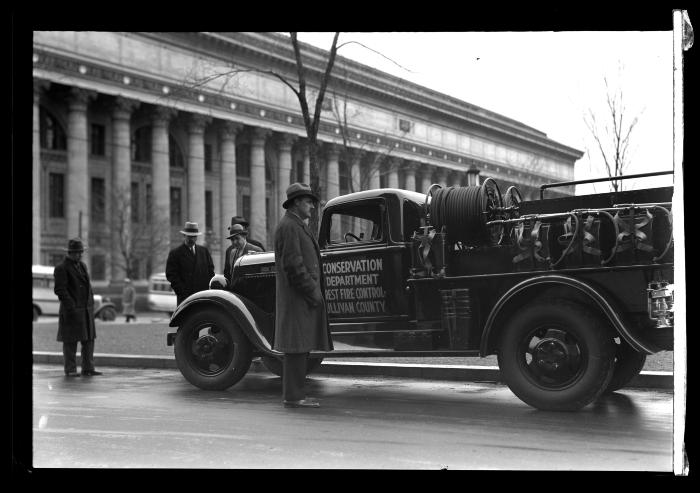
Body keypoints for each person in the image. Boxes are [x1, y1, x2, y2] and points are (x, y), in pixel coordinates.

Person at [273, 183, 333, 408]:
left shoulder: (295, 224)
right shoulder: (290, 226)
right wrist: (313, 293)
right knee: (296, 348)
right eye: (308, 202)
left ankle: (296, 395)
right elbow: (294, 265)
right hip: (298, 297)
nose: (312, 207)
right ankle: (294, 397)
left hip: (299, 298)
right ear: (296, 203)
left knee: (300, 347)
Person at [53, 238, 102, 377]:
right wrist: (71, 307)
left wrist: (90, 305)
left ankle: (88, 368)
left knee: (89, 340)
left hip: (86, 310)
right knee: (70, 342)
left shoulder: (83, 266)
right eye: (76, 252)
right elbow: (60, 290)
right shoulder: (61, 268)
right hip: (71, 311)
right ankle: (70, 369)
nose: (79, 255)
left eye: (81, 252)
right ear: (69, 253)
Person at [166, 221, 215, 306]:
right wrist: (181, 291)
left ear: (196, 237)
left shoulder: (204, 251)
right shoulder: (175, 253)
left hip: (202, 296)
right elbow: (171, 275)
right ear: (184, 236)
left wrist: (208, 291)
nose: (191, 239)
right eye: (189, 236)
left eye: (193, 236)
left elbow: (211, 272)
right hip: (185, 298)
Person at [223, 223, 263, 287]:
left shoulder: (256, 250)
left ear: (244, 236)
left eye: (237, 238)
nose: (234, 242)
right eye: (232, 240)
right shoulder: (232, 252)